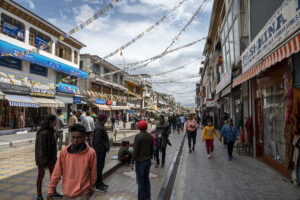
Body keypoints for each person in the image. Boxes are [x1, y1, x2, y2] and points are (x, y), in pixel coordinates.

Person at [47, 124, 97, 200]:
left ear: (84, 137)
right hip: (67, 194)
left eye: (78, 137)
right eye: (73, 137)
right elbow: (57, 172)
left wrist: (91, 187)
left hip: (83, 194)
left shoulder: (91, 153)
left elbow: (93, 173)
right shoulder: (64, 152)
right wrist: (51, 189)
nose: (75, 140)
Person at [35, 115, 62, 200]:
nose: (56, 122)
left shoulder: (51, 130)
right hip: (43, 160)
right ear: (51, 121)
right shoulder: (43, 132)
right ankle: (39, 195)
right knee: (40, 176)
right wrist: (44, 163)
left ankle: (53, 192)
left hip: (51, 159)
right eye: (55, 121)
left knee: (53, 176)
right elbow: (41, 149)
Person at [130, 120, 153, 200]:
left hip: (140, 162)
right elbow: (151, 149)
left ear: (139, 127)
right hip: (148, 161)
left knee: (140, 181)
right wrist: (150, 158)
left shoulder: (138, 136)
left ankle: (141, 198)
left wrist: (132, 161)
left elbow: (135, 150)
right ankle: (148, 197)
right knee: (146, 179)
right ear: (146, 127)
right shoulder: (150, 136)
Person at [93, 114, 110, 192]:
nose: (106, 121)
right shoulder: (99, 128)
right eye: (105, 119)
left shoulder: (101, 126)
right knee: (99, 168)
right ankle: (97, 184)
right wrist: (101, 150)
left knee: (101, 167)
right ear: (103, 120)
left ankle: (100, 182)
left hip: (101, 151)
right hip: (99, 151)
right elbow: (97, 141)